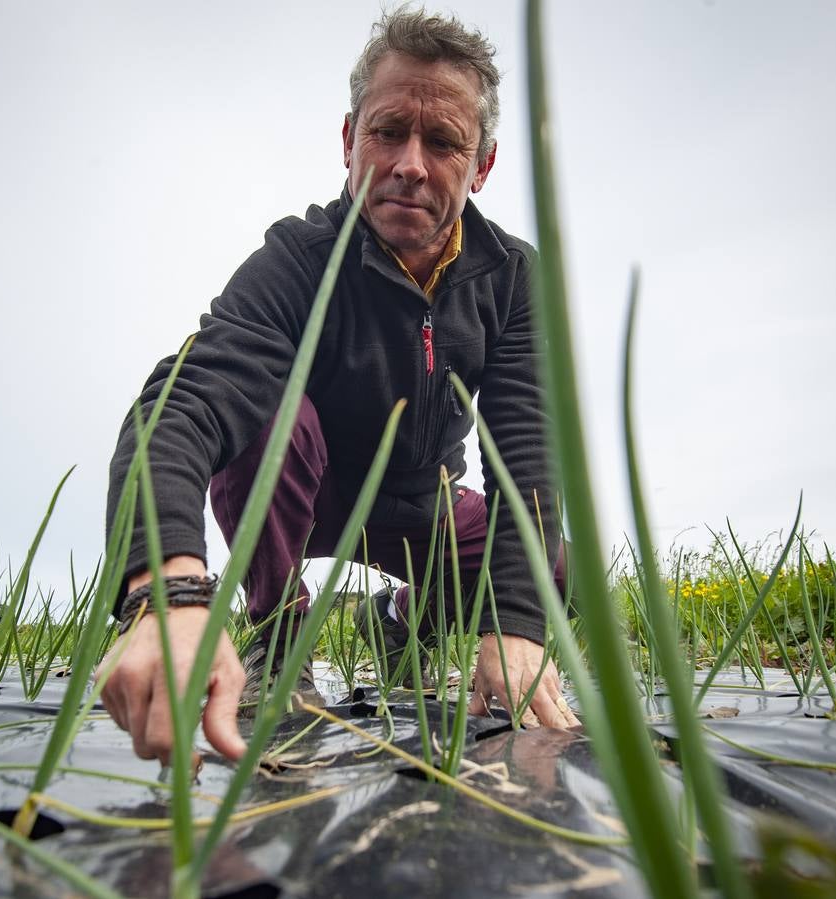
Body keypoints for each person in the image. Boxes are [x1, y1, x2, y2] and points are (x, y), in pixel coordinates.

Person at [97, 8, 579, 765]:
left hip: (421, 501)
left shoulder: (510, 277)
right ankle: (275, 631)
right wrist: (168, 595)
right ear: (349, 140)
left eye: (444, 142)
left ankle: (402, 620)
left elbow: (526, 447)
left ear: (481, 165)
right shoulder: (299, 257)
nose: (410, 164)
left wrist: (517, 623)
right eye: (388, 132)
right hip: (302, 486)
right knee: (271, 419)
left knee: (549, 567)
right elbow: (180, 405)